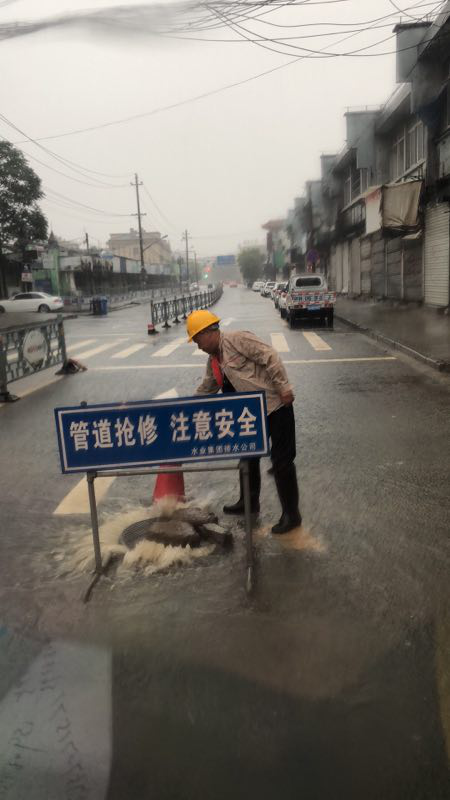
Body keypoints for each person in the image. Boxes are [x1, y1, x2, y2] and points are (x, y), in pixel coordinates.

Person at [186, 309, 302, 534]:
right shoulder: (214, 360)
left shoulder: (237, 339)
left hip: (275, 406)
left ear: (208, 331)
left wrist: (284, 387)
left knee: (282, 462)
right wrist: (186, 408)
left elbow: (270, 356)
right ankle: (248, 502)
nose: (198, 346)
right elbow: (208, 387)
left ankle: (291, 515)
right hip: (251, 415)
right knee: (247, 457)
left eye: (197, 339)